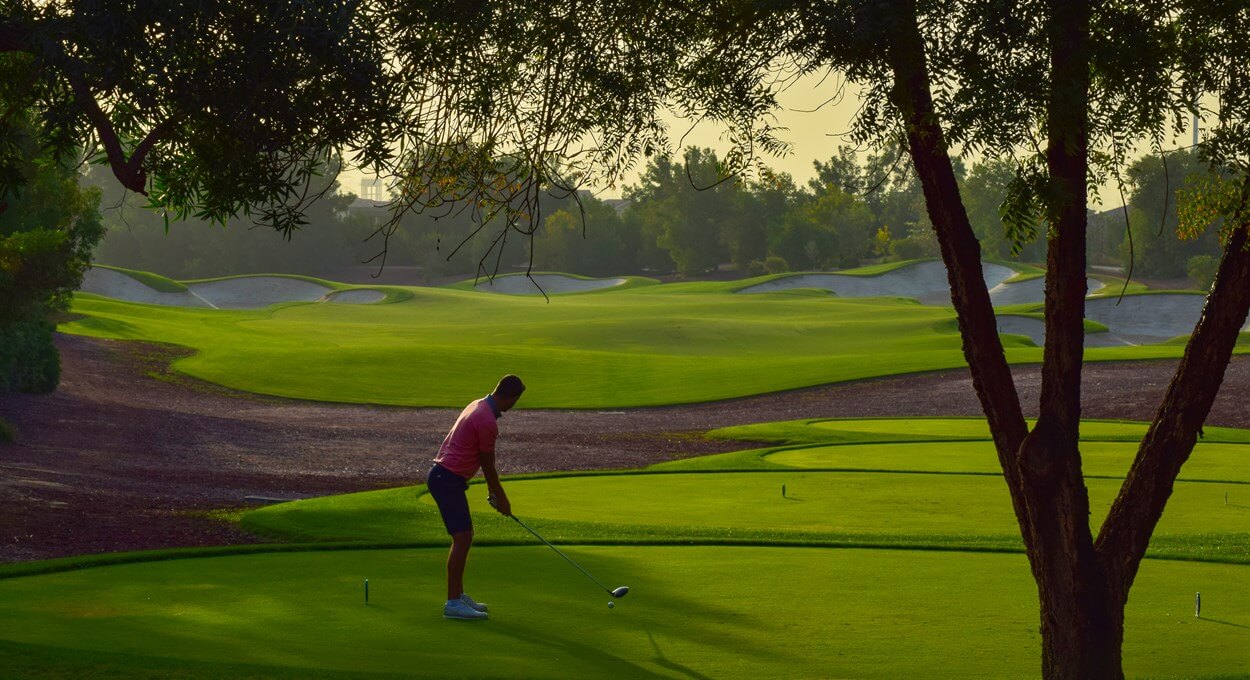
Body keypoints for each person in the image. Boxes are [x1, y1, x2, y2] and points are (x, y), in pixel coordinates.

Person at [427, 374, 525, 620]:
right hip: (446, 479)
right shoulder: (486, 420)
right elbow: (488, 465)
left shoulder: (478, 404)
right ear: (512, 398)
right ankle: (452, 603)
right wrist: (500, 497)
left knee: (465, 536)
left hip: (447, 478)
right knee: (462, 538)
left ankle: (458, 596)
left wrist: (494, 493)